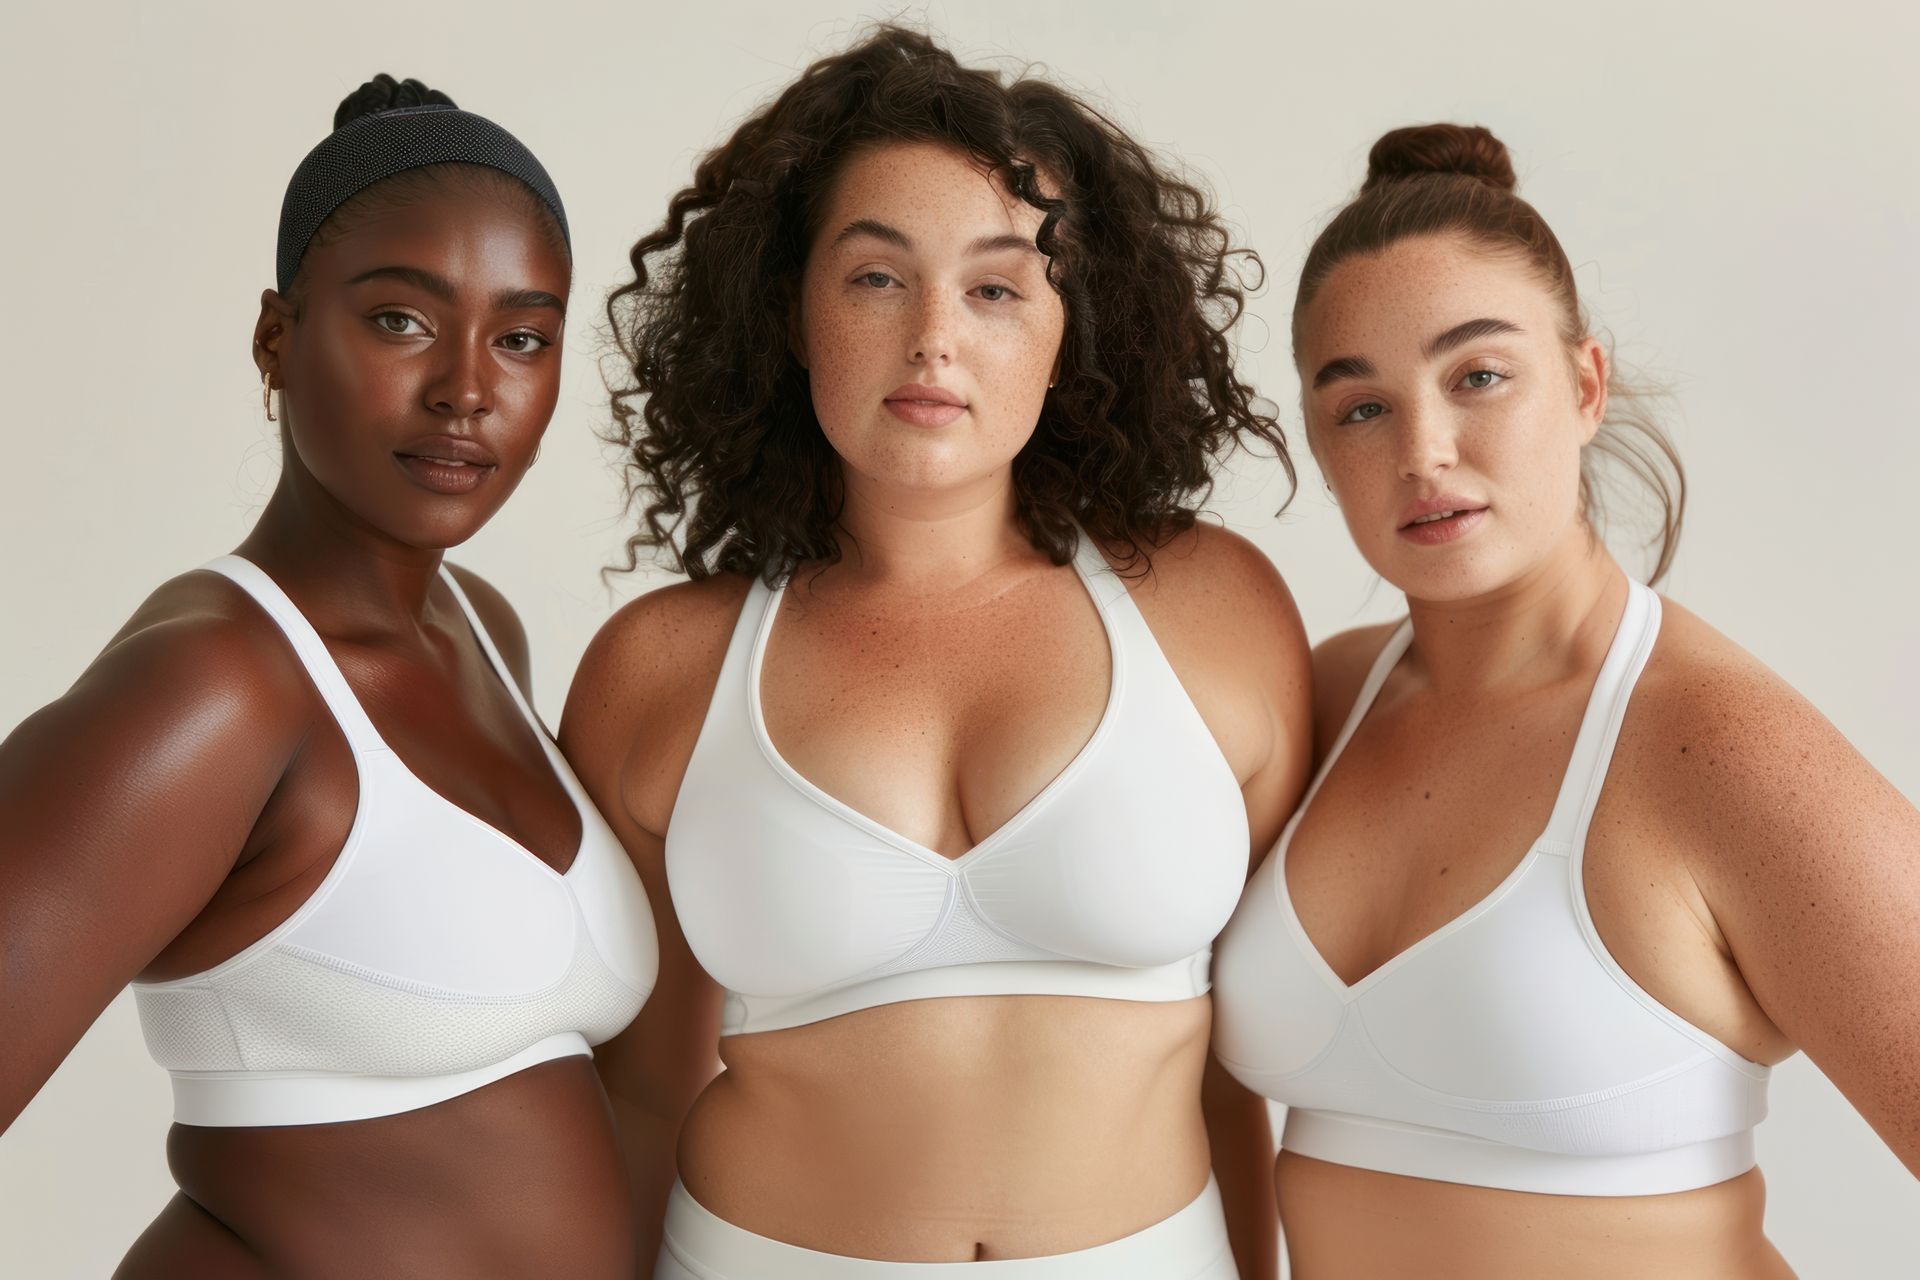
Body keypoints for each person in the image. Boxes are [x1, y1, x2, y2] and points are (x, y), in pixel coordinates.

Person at [563, 26, 1311, 1279]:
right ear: (790, 311)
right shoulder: (662, 668)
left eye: (997, 286)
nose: (933, 339)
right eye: (875, 278)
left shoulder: (1210, 607)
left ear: (1073, 328)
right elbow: (633, 1095)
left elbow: (1241, 1060)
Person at [1211, 122, 1920, 1279]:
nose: (1424, 450)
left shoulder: (1712, 744)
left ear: (1586, 383)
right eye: (1362, 406)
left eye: (1478, 376)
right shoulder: (1328, 697)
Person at [0, 75, 657, 1278]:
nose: (467, 387)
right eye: (402, 319)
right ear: (276, 336)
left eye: (521, 336)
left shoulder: (481, 634)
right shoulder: (214, 685)